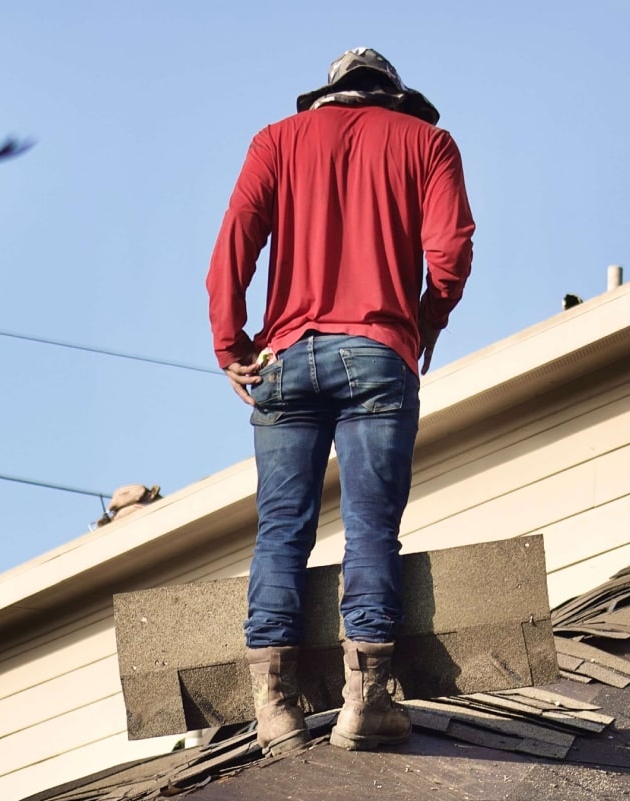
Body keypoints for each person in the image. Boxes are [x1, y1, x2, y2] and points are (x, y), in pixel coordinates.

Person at [203, 47, 474, 752]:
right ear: (393, 97)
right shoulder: (429, 142)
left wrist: (230, 346)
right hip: (378, 352)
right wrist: (421, 325)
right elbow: (450, 254)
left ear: (328, 96)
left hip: (284, 360)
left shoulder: (276, 140)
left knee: (281, 530)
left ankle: (275, 709)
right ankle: (366, 701)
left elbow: (234, 243)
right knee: (371, 528)